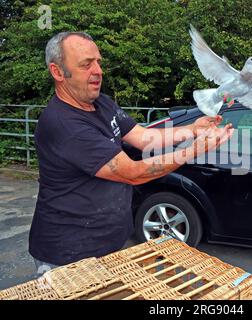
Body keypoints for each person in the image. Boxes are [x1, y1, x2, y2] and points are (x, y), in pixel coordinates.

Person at [29, 31, 233, 274]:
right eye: (86, 64)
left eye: (98, 62)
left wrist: (192, 129)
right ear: (58, 72)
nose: (98, 71)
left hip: (109, 245)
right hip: (68, 256)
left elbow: (144, 138)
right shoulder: (64, 125)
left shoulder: (100, 102)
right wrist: (195, 150)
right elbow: (133, 173)